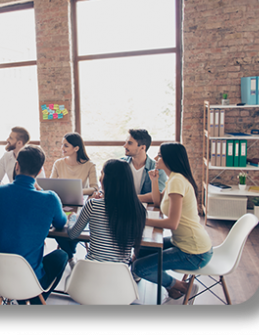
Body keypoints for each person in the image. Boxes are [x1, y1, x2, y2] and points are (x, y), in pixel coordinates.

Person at [0, 145, 68, 305]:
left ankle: (17, 299)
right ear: (40, 169)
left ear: (17, 165)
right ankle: (34, 300)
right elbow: (61, 223)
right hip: (28, 279)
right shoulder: (49, 198)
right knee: (61, 255)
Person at [132, 142, 213, 305]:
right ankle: (173, 291)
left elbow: (172, 223)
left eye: (160, 155)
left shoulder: (177, 181)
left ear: (170, 159)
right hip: (185, 244)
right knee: (141, 250)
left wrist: (141, 220)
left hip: (194, 253)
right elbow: (157, 201)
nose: (155, 158)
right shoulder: (174, 178)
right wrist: (154, 180)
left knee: (138, 268)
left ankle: (182, 287)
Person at [68, 159, 147, 266]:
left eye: (102, 173)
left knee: (69, 277)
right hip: (120, 275)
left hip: (91, 271)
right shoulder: (138, 210)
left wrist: (73, 219)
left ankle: (71, 260)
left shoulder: (93, 205)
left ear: (108, 179)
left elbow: (73, 234)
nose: (100, 178)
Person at [51, 132, 99, 266]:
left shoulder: (89, 165)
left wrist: (77, 190)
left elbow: (95, 188)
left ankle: (70, 254)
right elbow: (51, 185)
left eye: (66, 145)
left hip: (80, 204)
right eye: (62, 145)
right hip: (61, 203)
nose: (62, 148)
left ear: (76, 148)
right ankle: (71, 255)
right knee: (55, 227)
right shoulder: (58, 163)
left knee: (75, 227)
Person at [121, 129, 167, 203]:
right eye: (126, 142)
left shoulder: (158, 169)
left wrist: (128, 198)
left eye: (129, 143)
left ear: (142, 148)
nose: (125, 146)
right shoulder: (119, 165)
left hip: (148, 211)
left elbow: (158, 196)